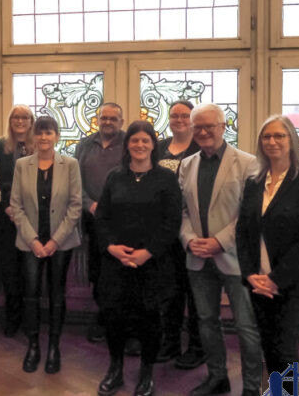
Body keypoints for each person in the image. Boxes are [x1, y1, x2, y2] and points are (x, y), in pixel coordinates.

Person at [178, 103, 262, 396]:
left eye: (209, 126)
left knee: (246, 326)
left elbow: (249, 214)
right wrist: (189, 239)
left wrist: (220, 241)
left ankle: (252, 387)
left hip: (236, 257)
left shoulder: (248, 163)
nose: (202, 132)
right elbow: (183, 211)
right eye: (197, 127)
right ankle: (217, 377)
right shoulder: (187, 164)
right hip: (198, 256)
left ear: (223, 127)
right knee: (206, 321)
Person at [95, 120, 181, 396]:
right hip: (116, 263)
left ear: (154, 144)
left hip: (152, 263)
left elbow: (172, 222)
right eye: (135, 140)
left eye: (146, 140)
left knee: (149, 320)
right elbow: (102, 218)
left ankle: (147, 373)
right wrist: (111, 247)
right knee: (114, 317)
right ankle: (115, 369)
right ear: (127, 144)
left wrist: (148, 252)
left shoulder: (166, 179)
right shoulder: (114, 177)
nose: (140, 145)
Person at [236, 115, 299, 378]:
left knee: (286, 352)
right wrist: (250, 274)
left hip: (294, 281)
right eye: (266, 136)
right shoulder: (254, 183)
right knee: (270, 350)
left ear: (292, 141)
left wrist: (275, 280)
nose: (272, 141)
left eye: (279, 136)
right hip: (258, 280)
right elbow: (243, 233)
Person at [10, 116, 82, 374]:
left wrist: (54, 241)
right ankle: (33, 346)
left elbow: (75, 206)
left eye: (48, 133)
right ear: (33, 136)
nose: (43, 138)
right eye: (39, 133)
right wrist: (34, 241)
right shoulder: (22, 165)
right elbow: (15, 206)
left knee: (56, 295)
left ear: (57, 136)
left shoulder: (70, 164)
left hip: (60, 243)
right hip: (30, 242)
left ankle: (54, 346)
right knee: (30, 294)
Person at [156, 100, 205, 369]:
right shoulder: (160, 147)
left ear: (193, 119)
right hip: (165, 232)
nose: (179, 119)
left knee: (195, 293)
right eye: (174, 115)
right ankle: (171, 342)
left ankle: (197, 347)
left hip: (194, 230)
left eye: (184, 115)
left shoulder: (201, 147)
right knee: (170, 292)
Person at [74, 103, 125, 345]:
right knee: (97, 272)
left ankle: (125, 324)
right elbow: (75, 181)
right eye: (104, 118)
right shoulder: (85, 145)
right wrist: (89, 204)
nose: (108, 122)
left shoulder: (130, 143)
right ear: (97, 119)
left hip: (122, 221)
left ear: (121, 121)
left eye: (113, 118)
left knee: (121, 273)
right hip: (92, 219)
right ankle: (103, 318)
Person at [0, 105, 34, 337]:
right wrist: (6, 206)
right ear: (10, 120)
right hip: (5, 217)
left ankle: (29, 319)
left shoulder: (39, 144)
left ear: (31, 121)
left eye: (25, 117)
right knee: (9, 269)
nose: (20, 121)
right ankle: (12, 317)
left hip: (33, 218)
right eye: (16, 116)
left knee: (30, 270)